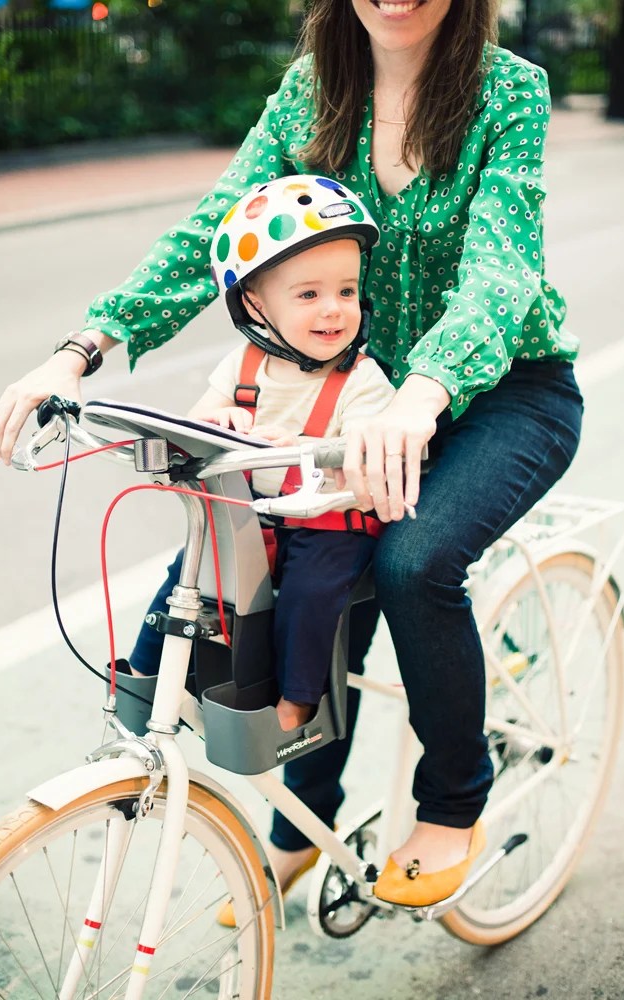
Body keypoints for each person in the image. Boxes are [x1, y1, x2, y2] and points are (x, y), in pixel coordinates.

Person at [0, 0, 583, 911]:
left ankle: (452, 801)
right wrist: (81, 348)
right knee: (300, 568)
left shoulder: (508, 91)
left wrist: (425, 392)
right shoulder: (312, 94)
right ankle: (299, 824)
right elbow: (218, 234)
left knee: (409, 561)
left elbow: (502, 268)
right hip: (350, 400)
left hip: (501, 390)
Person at [134, 176, 395, 734]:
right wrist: (216, 420)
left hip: (329, 521)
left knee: (311, 594)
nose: (334, 310)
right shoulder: (242, 366)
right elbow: (197, 422)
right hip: (257, 516)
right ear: (255, 302)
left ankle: (298, 700)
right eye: (309, 295)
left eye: (346, 291)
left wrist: (310, 451)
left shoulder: (362, 380)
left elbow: (367, 454)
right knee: (188, 573)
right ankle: (144, 671)